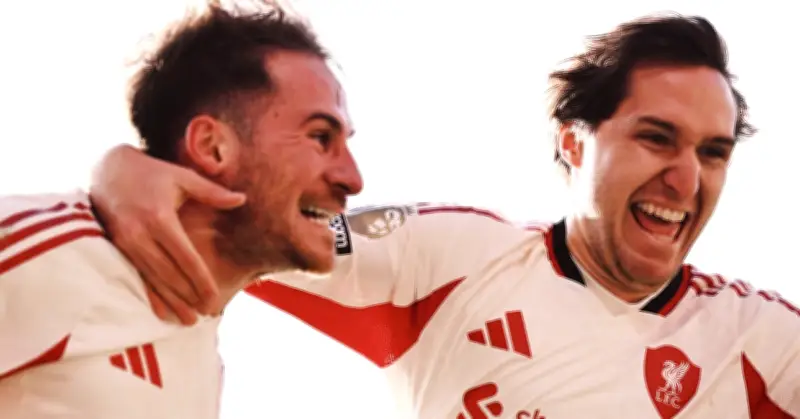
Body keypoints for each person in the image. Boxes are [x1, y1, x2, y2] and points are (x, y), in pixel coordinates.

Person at [90, 13, 800, 418]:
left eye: (713, 152)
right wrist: (126, 170)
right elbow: (247, 221)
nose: (685, 178)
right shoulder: (449, 253)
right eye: (656, 138)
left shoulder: (764, 340)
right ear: (573, 143)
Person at [0, 2, 362, 418]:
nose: (352, 178)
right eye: (320, 137)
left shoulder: (202, 354)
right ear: (212, 146)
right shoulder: (54, 258)